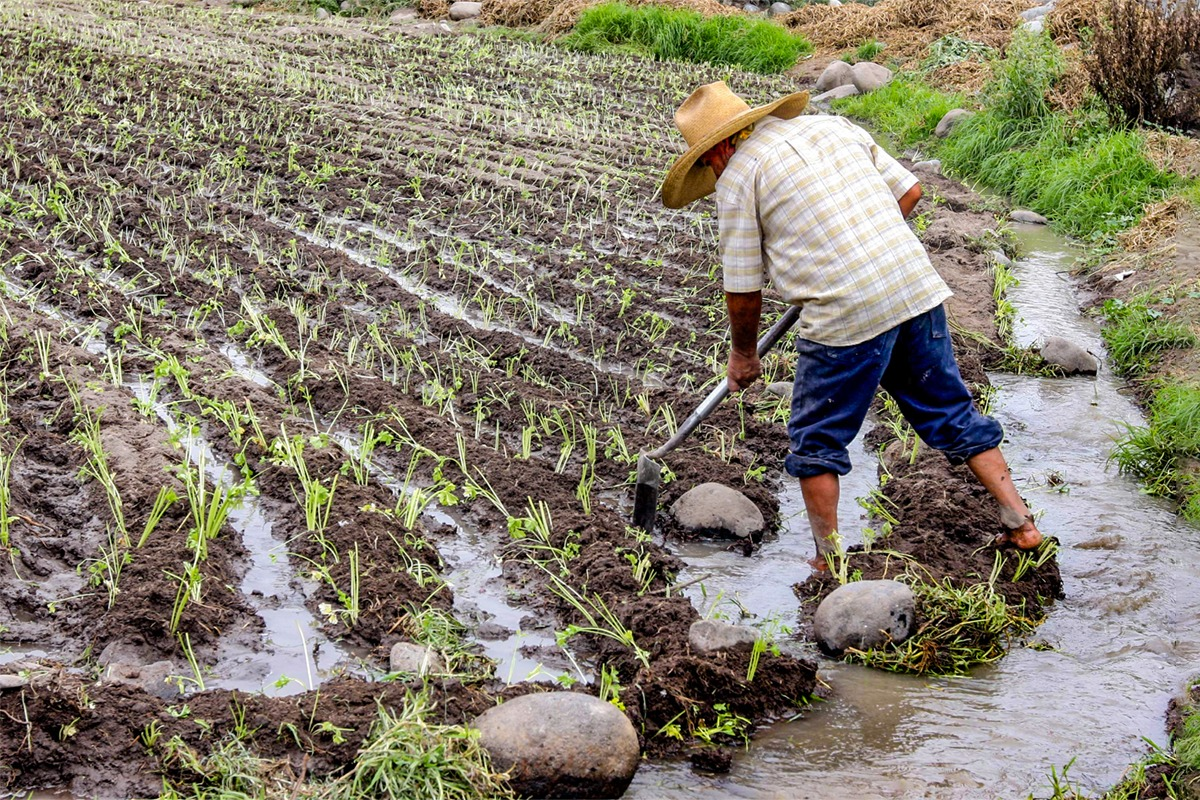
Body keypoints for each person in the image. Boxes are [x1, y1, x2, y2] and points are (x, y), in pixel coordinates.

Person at [660, 81, 1044, 569]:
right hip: (913, 288)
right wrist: (865, 253)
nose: (712, 173)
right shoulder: (833, 127)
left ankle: (827, 561)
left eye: (706, 164)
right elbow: (911, 191)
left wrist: (744, 355)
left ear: (720, 146)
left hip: (845, 316)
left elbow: (743, 288)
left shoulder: (739, 177)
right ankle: (1022, 523)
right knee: (950, 410)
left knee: (816, 441)